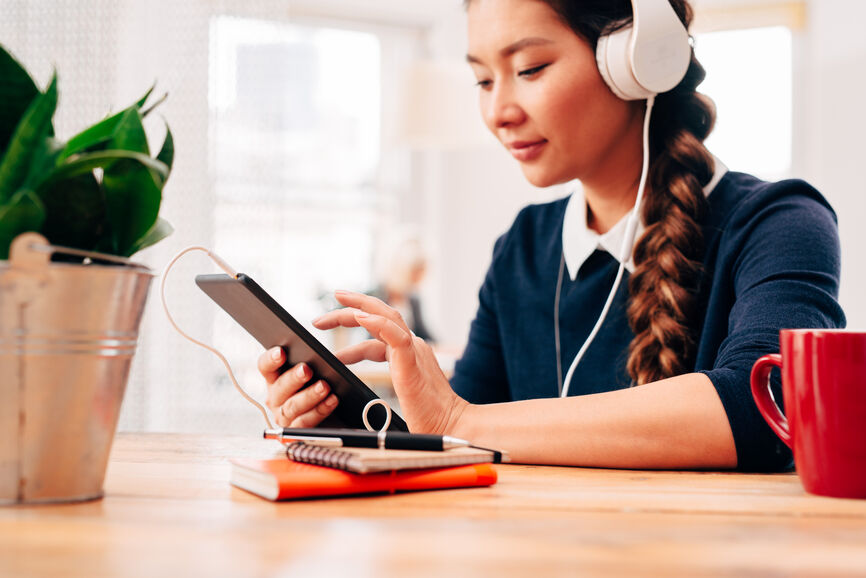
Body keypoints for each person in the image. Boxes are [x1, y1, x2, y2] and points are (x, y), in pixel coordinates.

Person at [258, 0, 845, 471]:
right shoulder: (524, 245)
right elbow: (460, 438)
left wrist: (456, 420)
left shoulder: (779, 222)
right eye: (483, 80)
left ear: (635, 60)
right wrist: (336, 423)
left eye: (529, 69)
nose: (499, 111)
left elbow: (767, 407)